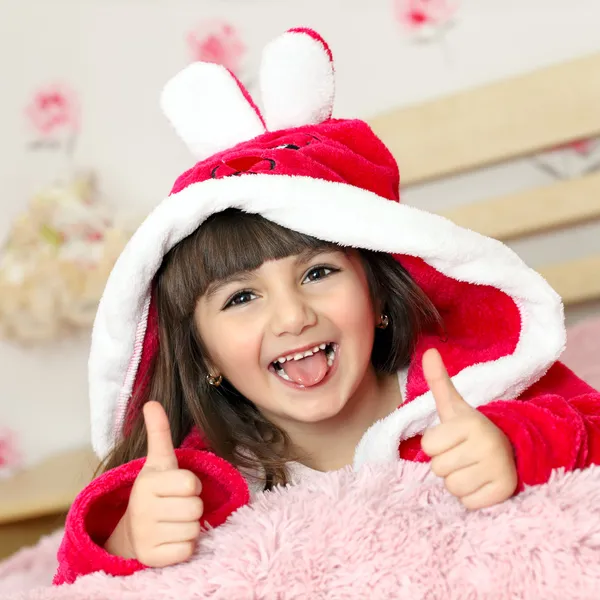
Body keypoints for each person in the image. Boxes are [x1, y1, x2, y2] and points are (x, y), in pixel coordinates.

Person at [53, 28, 600, 586]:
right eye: (241, 298)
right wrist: (125, 539)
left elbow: (590, 426)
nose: (292, 317)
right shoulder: (201, 477)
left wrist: (514, 446)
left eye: (318, 273)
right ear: (204, 355)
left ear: (379, 294)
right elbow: (75, 573)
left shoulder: (476, 392)